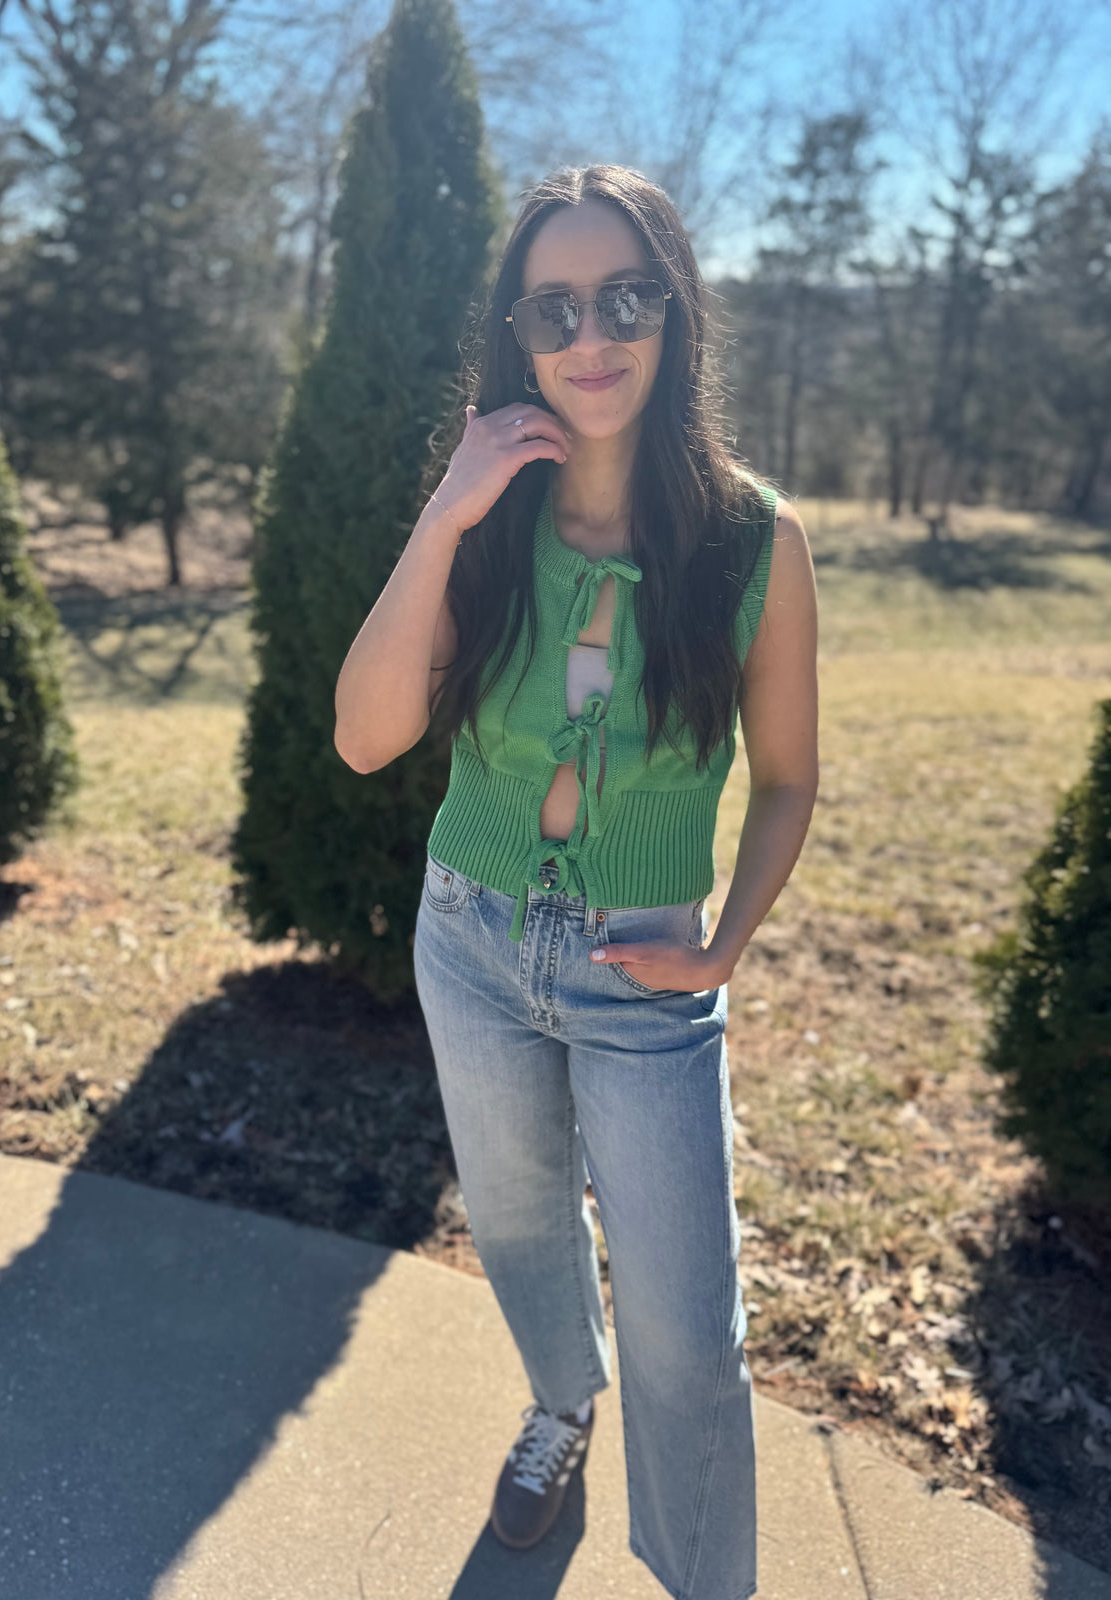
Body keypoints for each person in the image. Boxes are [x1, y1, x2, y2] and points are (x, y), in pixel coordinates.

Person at [334, 163, 818, 1600]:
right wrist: (447, 511)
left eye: (626, 297)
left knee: (688, 1330)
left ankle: (700, 1577)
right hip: (469, 938)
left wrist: (725, 942)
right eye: (555, 308)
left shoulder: (752, 544)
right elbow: (367, 739)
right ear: (517, 335)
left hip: (646, 969)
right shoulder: (487, 519)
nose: (591, 334)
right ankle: (558, 1407)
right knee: (523, 1225)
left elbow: (788, 778)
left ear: (674, 317)